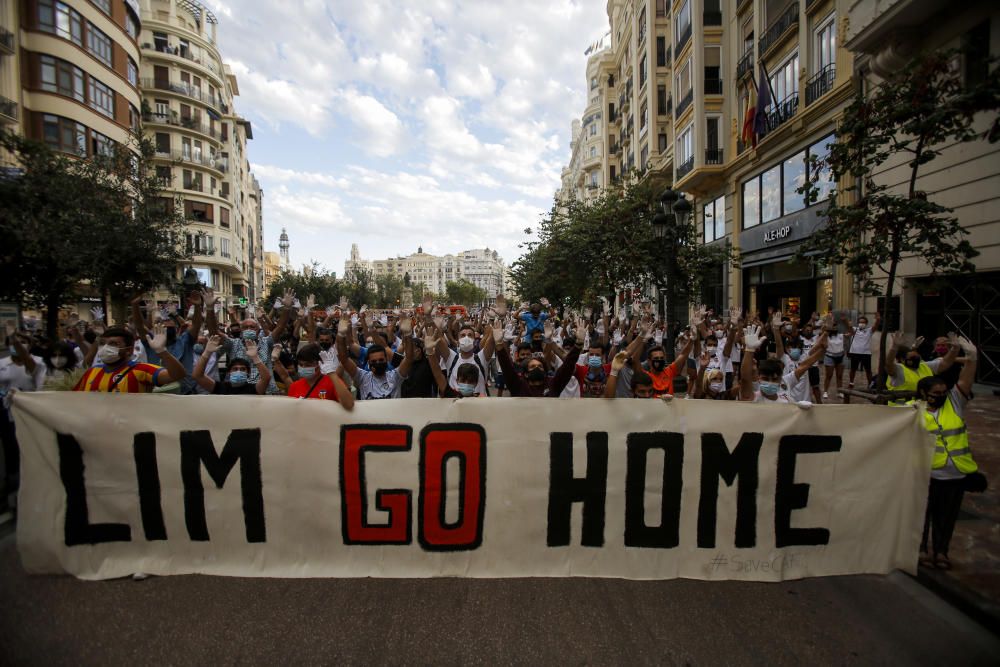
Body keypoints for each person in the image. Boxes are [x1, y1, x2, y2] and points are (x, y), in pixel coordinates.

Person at [913, 335, 980, 570]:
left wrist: (972, 357)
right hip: (927, 474)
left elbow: (965, 380)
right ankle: (920, 548)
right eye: (935, 392)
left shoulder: (955, 403)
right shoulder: (913, 412)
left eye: (943, 391)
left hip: (956, 475)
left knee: (947, 517)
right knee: (923, 515)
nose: (940, 395)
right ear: (923, 394)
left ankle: (941, 551)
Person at [0, 327, 46, 515]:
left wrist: (16, 341)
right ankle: (12, 492)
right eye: (13, 343)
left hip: (30, 414)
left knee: (30, 450)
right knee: (11, 452)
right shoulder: (2, 363)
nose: (17, 346)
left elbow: (31, 369)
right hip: (6, 413)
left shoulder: (37, 362)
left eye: (22, 342)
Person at [73, 325, 186, 392]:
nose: (106, 347)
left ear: (129, 350)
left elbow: (177, 375)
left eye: (113, 344)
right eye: (103, 343)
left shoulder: (141, 370)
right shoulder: (92, 372)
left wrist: (162, 352)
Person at [336, 312, 413, 400]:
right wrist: (341, 335)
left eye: (381, 360)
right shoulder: (363, 377)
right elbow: (344, 359)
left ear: (387, 359)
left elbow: (409, 359)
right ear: (368, 362)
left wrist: (408, 335)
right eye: (374, 361)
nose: (378, 363)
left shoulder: (395, 376)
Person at [886, 332, 958, 405]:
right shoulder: (899, 369)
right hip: (901, 411)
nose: (916, 360)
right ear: (902, 360)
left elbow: (945, 363)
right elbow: (888, 364)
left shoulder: (924, 366)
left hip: (923, 409)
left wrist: (954, 349)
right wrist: (894, 348)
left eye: (917, 357)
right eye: (912, 358)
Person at [192, 336, 271, 395]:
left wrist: (255, 357)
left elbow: (266, 378)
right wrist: (207, 353)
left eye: (243, 369)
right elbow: (197, 376)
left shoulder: (254, 388)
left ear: (248, 373)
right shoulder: (220, 387)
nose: (238, 371)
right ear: (229, 372)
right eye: (235, 369)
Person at [286, 343, 354, 408]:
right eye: (301, 365)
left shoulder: (333, 382)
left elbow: (349, 404)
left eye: (308, 365)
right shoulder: (294, 386)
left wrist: (331, 373)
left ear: (320, 364)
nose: (303, 367)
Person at [848, 315, 873, 390]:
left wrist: (878, 320)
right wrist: (846, 321)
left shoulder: (869, 330)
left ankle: (870, 384)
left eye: (863, 322)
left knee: (868, 370)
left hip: (866, 353)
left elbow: (875, 326)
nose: (861, 323)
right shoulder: (855, 329)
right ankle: (851, 383)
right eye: (860, 322)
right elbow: (849, 328)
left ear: (866, 323)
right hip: (855, 353)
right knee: (853, 369)